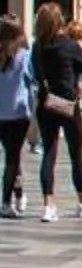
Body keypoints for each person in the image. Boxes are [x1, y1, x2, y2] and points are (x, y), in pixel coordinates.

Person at [29, 3, 82, 220]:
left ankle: (49, 205)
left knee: (49, 152)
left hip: (46, 102)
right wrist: (79, 74)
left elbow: (35, 74)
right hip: (67, 103)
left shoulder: (37, 47)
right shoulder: (69, 45)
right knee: (76, 153)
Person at [0, 14, 31, 217]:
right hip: (19, 113)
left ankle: (19, 194)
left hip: (1, 114)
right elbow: (33, 79)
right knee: (13, 157)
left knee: (13, 155)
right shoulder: (24, 55)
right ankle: (5, 202)